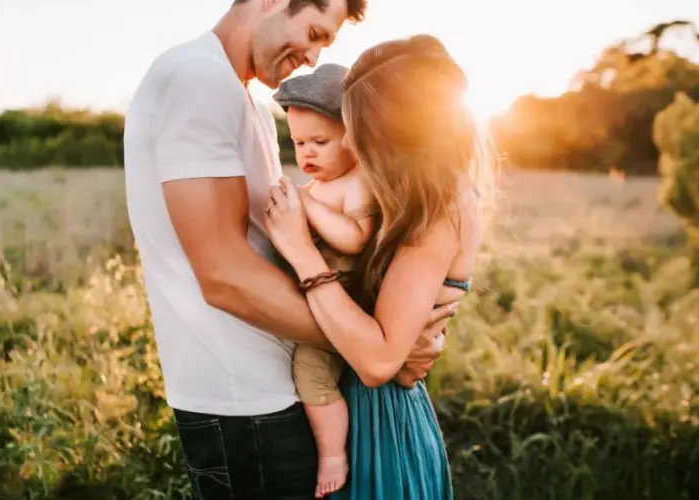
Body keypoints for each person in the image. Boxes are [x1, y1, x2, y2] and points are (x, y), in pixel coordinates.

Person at [122, 1, 461, 498]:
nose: (314, 55)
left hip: (279, 391)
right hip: (244, 403)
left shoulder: (249, 102)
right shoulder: (197, 80)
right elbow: (222, 274)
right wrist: (376, 347)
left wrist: (384, 338)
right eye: (314, 31)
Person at [264, 33, 496, 499]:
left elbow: (378, 361)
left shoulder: (437, 207)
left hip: (382, 422)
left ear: (395, 133)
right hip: (362, 405)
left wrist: (302, 252)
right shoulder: (410, 196)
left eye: (359, 131)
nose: (354, 146)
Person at [273, 62, 376, 497]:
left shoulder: (357, 183)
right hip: (313, 300)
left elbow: (355, 238)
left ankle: (333, 453)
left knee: (310, 374)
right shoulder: (318, 186)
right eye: (299, 143)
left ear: (353, 137)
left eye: (320, 141)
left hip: (342, 309)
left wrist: (306, 206)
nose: (308, 153)